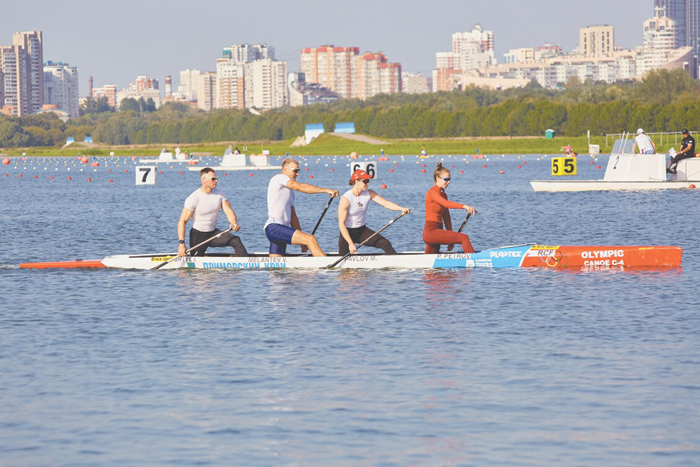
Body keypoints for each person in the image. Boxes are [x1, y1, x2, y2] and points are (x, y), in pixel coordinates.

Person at [264, 158, 339, 257]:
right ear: (285, 170)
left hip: (280, 230)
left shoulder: (289, 191)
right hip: (275, 228)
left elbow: (293, 217)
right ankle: (329, 270)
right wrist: (326, 190)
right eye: (295, 171)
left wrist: (302, 243)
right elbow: (299, 186)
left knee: (276, 268)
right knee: (310, 239)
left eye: (298, 171)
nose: (297, 174)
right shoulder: (278, 178)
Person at [177, 167, 248, 257]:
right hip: (198, 236)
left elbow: (228, 211)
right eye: (213, 179)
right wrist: (181, 243)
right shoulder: (194, 198)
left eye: (216, 178)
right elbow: (182, 221)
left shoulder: (220, 194)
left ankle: (247, 266)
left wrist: (233, 222)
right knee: (196, 266)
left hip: (213, 234)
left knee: (235, 240)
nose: (216, 181)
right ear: (204, 180)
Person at [338, 169, 410, 255]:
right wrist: (350, 243)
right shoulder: (346, 198)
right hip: (347, 233)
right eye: (365, 181)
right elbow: (341, 224)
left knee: (385, 243)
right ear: (356, 181)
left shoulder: (369, 193)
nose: (367, 184)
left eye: (368, 181)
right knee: (342, 257)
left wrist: (401, 208)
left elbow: (385, 203)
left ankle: (398, 264)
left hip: (361, 231)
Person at [423, 162, 477, 254]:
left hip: (437, 232)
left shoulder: (444, 195)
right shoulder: (432, 192)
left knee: (429, 262)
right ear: (437, 179)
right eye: (446, 179)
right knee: (463, 238)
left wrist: (450, 238)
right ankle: (475, 260)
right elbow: (446, 204)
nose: (448, 182)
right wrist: (464, 206)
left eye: (449, 179)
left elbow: (446, 217)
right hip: (431, 231)